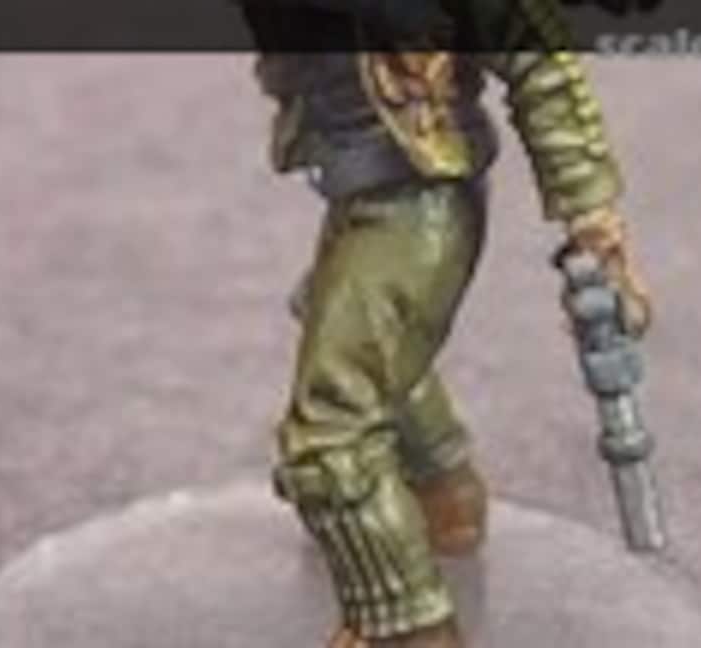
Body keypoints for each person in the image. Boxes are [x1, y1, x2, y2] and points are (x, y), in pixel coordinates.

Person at [239, 1, 653, 645]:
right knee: (344, 328)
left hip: (418, 203)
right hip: (365, 189)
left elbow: (539, 61)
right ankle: (440, 489)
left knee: (333, 427)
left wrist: (591, 216)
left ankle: (407, 624)